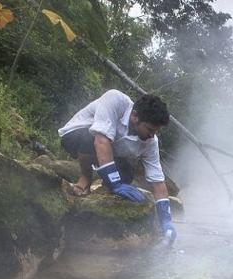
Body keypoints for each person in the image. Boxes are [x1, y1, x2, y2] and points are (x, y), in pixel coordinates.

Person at [58, 89, 176, 243]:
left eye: (156, 131)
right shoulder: (116, 100)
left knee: (126, 174)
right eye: (150, 129)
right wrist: (114, 183)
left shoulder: (150, 142)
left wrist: (166, 221)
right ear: (135, 116)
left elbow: (158, 180)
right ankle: (85, 178)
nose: (152, 135)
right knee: (90, 138)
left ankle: (101, 187)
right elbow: (100, 140)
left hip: (106, 149)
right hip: (76, 135)